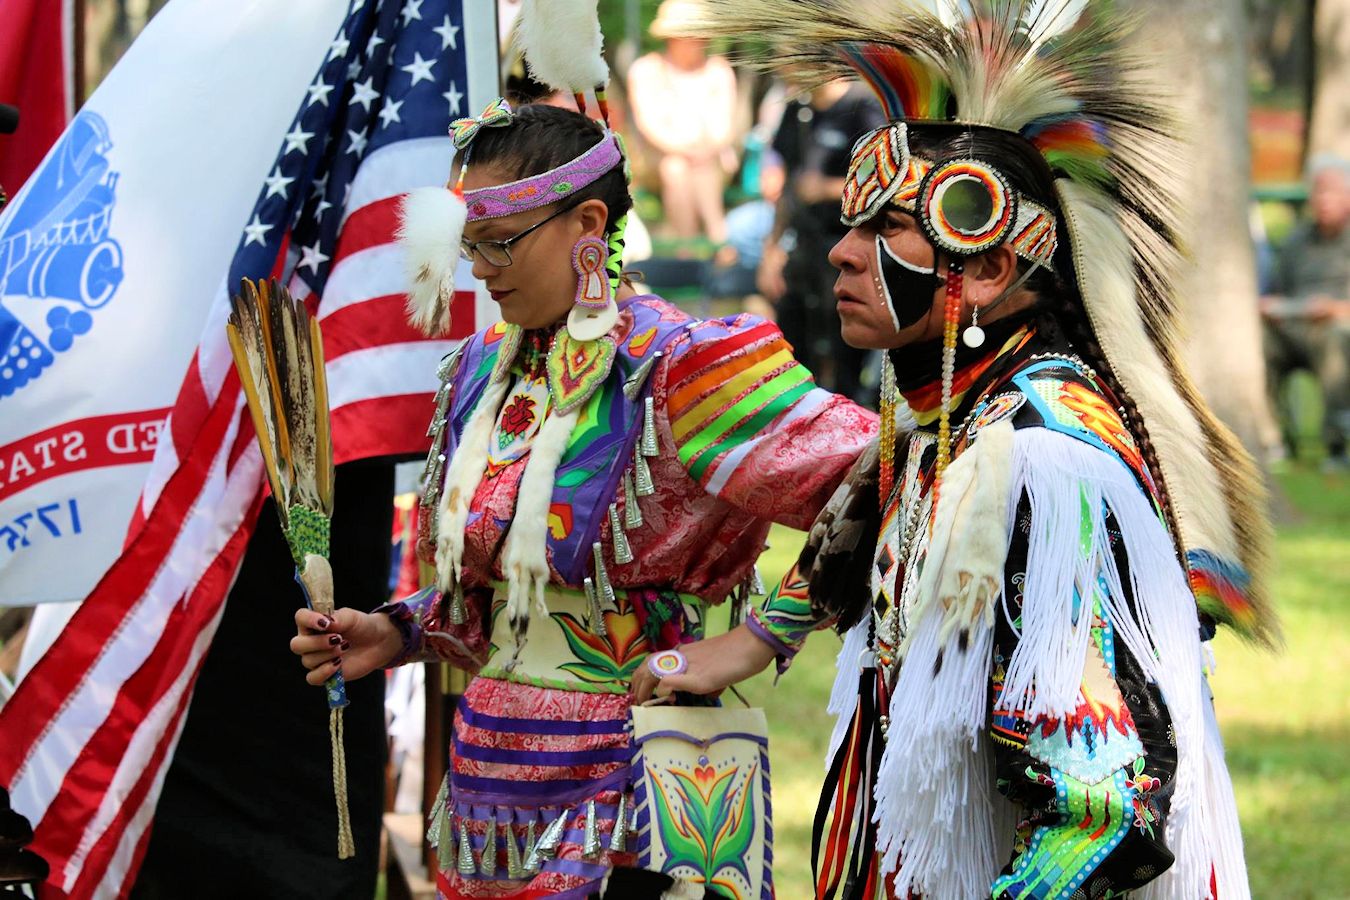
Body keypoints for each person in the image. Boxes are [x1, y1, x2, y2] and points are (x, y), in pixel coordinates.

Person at [635, 2, 1274, 897]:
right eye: (852, 226)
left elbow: (1099, 813)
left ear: (985, 270)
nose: (844, 257)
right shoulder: (960, 423)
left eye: (885, 231)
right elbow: (871, 508)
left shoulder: (1044, 470)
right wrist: (749, 642)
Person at [287, 101, 876, 899]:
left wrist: (757, 638)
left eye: (500, 244)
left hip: (636, 771)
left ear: (589, 222)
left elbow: (886, 471)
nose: (482, 270)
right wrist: (397, 630)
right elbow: (505, 600)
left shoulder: (683, 367)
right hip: (490, 782)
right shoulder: (483, 371)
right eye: (469, 247)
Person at [759, 80, 885, 403]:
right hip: (803, 248)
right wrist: (771, 251)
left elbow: (886, 180)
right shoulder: (795, 111)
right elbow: (788, 187)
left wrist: (829, 188)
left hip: (848, 244)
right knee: (794, 341)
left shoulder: (863, 108)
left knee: (845, 349)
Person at [1261, 153, 1350, 468]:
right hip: (1294, 327)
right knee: (1257, 341)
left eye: (1332, 191)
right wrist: (1270, 307)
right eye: (1318, 191)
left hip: (1335, 330)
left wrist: (1336, 309)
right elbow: (1276, 290)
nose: (1323, 199)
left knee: (1336, 338)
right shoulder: (1297, 241)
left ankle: (1337, 444)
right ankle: (1270, 439)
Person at [626, 0, 738, 244]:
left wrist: (705, 149)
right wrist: (685, 150)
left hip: (711, 158)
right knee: (675, 168)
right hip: (659, 159)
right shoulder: (647, 70)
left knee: (698, 167)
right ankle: (699, 240)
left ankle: (711, 236)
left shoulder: (719, 70)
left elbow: (724, 125)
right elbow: (649, 125)